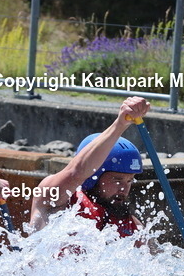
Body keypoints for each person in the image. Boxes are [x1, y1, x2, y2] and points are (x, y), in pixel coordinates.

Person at [29, 96, 151, 235]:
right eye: (117, 180)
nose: (124, 189)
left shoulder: (134, 227)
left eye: (129, 181)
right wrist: (120, 124)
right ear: (93, 176)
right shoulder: (54, 199)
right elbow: (76, 172)